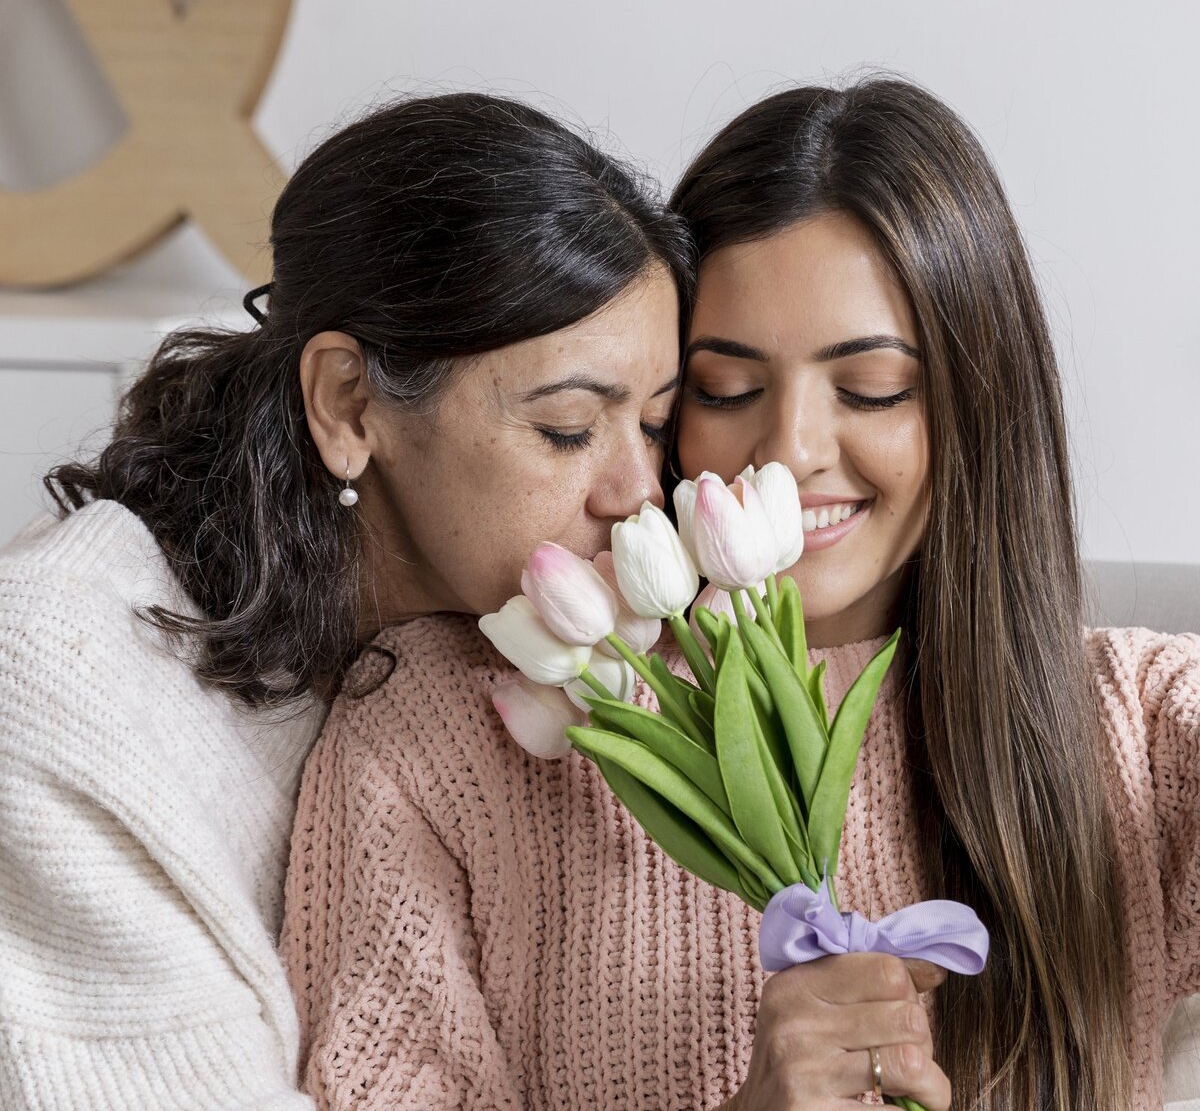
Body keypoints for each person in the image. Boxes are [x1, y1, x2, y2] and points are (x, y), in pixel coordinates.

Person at [283, 77, 1199, 1111]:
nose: (791, 451)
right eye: (723, 392)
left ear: (978, 405)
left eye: (873, 390)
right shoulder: (446, 737)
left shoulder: (1136, 727)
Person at [0, 92, 690, 1111]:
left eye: (660, 423)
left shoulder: (490, 650)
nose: (639, 492)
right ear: (349, 404)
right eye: (569, 429)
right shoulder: (58, 680)